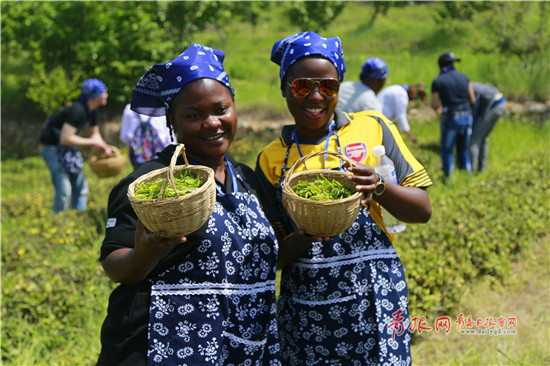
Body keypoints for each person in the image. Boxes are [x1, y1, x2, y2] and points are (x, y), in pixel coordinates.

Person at [96, 44, 281, 365]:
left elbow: (263, 257)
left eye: (221, 109)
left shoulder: (247, 178)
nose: (212, 123)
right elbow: (114, 264)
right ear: (172, 122)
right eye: (194, 115)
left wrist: (309, 235)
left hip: (244, 347)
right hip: (166, 347)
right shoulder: (150, 183)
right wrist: (145, 253)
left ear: (235, 109)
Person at [255, 31, 432, 365]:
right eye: (302, 86)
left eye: (329, 86)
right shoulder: (271, 158)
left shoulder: (373, 128)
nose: (316, 96)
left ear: (340, 88)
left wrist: (380, 186)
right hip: (307, 312)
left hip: (375, 298)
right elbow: (275, 256)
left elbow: (422, 210)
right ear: (284, 89)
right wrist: (306, 233)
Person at [38, 78, 111, 213]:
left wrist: (104, 148)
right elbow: (66, 138)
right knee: (64, 190)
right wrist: (94, 143)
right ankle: (59, 221)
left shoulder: (92, 110)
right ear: (95, 96)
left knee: (81, 187)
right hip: (51, 148)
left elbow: (94, 134)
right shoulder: (77, 110)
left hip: (67, 149)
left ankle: (78, 217)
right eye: (103, 92)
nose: (106, 94)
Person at [431, 51, 476, 178]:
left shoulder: (438, 81)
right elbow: (472, 99)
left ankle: (448, 178)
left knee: (447, 150)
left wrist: (439, 113)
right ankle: (467, 176)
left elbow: (434, 104)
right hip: (467, 116)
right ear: (452, 64)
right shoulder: (464, 77)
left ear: (440, 66)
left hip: (451, 117)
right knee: (463, 149)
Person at [119, 103, 175, 168]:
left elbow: (124, 137)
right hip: (160, 160)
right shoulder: (163, 108)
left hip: (138, 161)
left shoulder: (129, 108)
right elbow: (170, 140)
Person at [469, 82, 507, 173]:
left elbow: (474, 104)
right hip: (501, 102)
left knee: (474, 140)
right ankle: (482, 170)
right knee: (482, 138)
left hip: (494, 105)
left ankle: (471, 171)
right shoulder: (470, 84)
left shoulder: (467, 88)